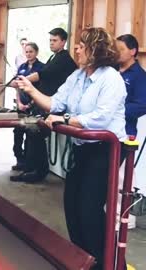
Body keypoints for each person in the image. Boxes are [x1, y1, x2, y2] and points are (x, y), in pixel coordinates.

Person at [16, 27, 127, 270]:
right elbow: (55, 103)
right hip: (82, 148)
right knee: (72, 208)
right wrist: (31, 90)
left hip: (105, 149)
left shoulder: (111, 79)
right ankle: (83, 261)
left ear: (96, 49)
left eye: (81, 44)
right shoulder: (77, 76)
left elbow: (101, 117)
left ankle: (106, 264)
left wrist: (65, 121)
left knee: (89, 209)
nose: (76, 48)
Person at [10, 27, 77, 183]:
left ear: (63, 41)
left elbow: (41, 74)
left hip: (54, 106)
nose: (51, 43)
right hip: (46, 104)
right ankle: (29, 167)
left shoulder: (63, 59)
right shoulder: (54, 58)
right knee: (30, 133)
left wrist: (22, 82)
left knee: (35, 133)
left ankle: (38, 171)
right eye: (50, 40)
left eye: (54, 40)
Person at [115, 34, 146, 230]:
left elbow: (142, 105)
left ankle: (124, 217)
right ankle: (110, 212)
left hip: (126, 132)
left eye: (121, 49)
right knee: (108, 174)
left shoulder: (139, 76)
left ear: (133, 51)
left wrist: (115, 110)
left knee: (122, 176)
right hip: (107, 130)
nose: (116, 53)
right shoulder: (112, 72)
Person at [12, 42, 44, 170]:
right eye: (27, 52)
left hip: (34, 107)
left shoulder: (41, 68)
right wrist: (19, 103)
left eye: (31, 51)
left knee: (30, 135)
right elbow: (18, 88)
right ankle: (19, 160)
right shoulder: (22, 67)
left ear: (36, 52)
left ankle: (28, 163)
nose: (29, 54)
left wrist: (30, 104)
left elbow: (42, 90)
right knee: (17, 133)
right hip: (21, 107)